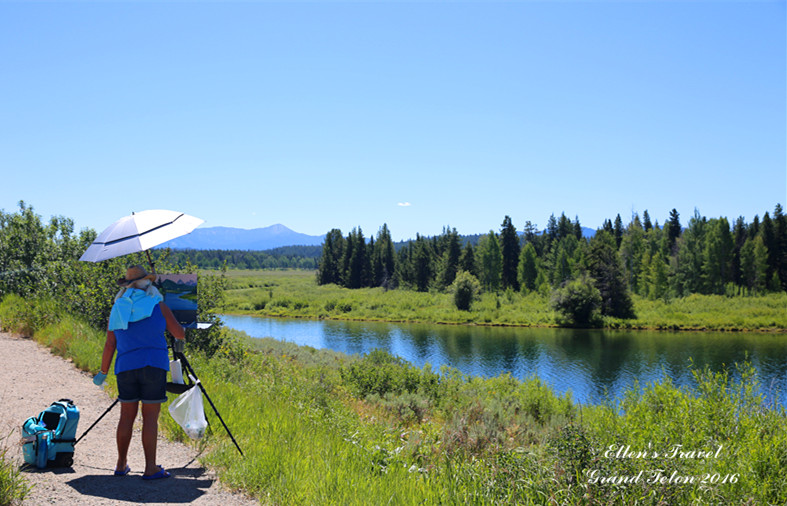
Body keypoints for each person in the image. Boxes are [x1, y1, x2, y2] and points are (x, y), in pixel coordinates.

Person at [93, 265, 185, 480]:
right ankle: (150, 468)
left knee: (126, 417)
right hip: (154, 365)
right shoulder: (158, 305)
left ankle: (120, 464)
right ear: (148, 284)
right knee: (150, 418)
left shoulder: (118, 307)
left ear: (127, 285)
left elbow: (109, 344)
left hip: (125, 367)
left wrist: (103, 372)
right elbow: (179, 333)